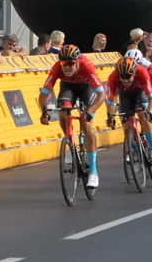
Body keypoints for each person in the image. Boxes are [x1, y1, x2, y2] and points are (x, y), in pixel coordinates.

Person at [37, 44, 105, 189]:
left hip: (87, 88)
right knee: (63, 112)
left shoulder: (87, 66)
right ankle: (70, 141)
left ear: (77, 61)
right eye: (64, 63)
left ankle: (93, 171)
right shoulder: (57, 68)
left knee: (86, 124)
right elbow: (43, 94)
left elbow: (101, 95)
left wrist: (90, 112)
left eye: (71, 63)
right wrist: (44, 112)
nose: (67, 67)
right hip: (68, 87)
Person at [105, 56, 152, 161]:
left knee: (143, 115)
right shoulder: (113, 77)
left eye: (128, 76)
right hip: (125, 94)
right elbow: (110, 101)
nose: (125, 80)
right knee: (126, 126)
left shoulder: (142, 72)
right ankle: (135, 152)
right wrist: (111, 117)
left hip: (140, 92)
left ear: (134, 73)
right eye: (122, 77)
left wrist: (150, 112)